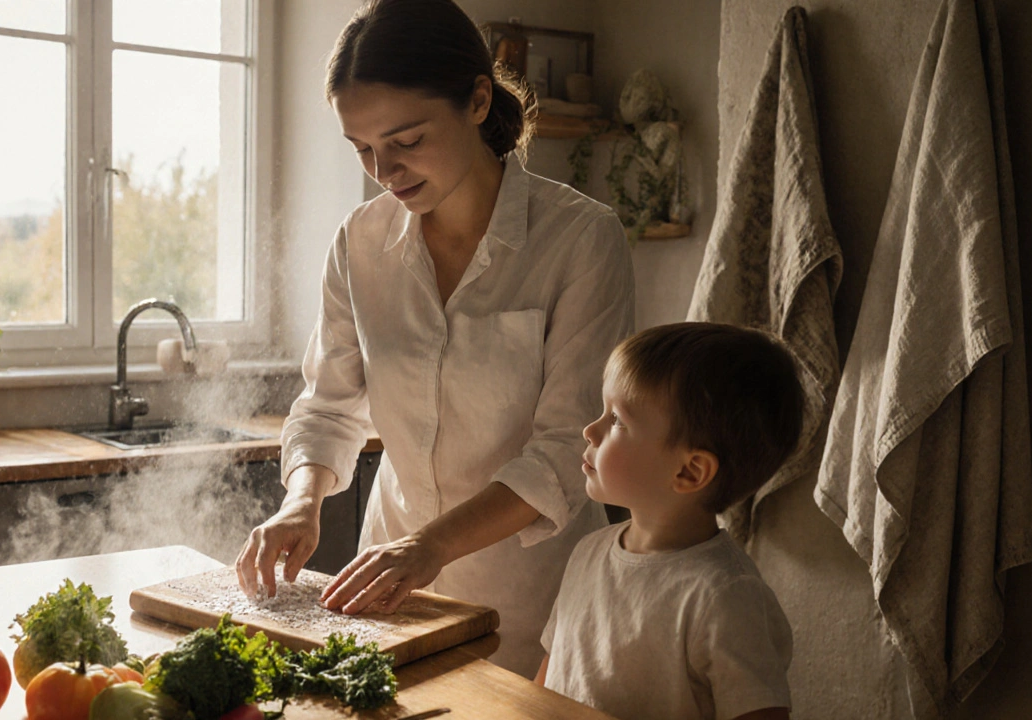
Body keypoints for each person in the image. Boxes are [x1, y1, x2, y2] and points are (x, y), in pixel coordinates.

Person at [234, 0, 635, 677]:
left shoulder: (581, 240)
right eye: (362, 149)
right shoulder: (359, 243)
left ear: (478, 99)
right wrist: (300, 504)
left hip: (535, 594)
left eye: (406, 140)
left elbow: (568, 446)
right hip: (389, 582)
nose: (384, 171)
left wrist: (432, 546)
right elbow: (330, 406)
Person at [536, 323, 803, 720]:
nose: (590, 430)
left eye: (618, 421)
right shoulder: (587, 554)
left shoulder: (724, 597)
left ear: (690, 472)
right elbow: (547, 681)